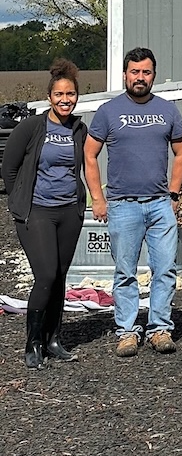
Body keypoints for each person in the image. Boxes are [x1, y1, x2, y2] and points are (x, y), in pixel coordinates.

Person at [84, 47, 182, 358]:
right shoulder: (108, 111)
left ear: (153, 75)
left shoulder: (168, 111)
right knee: (125, 272)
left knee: (165, 270)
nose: (140, 77)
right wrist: (97, 198)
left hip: (159, 204)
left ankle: (159, 329)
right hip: (122, 204)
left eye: (146, 72)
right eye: (134, 72)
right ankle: (127, 332)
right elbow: (90, 154)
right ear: (125, 74)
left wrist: (173, 193)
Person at [2, 59, 87, 368]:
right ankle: (33, 342)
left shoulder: (79, 129)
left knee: (60, 276)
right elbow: (9, 169)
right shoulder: (32, 127)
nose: (65, 100)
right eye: (59, 94)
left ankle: (53, 338)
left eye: (71, 94)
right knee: (46, 274)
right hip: (36, 211)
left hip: (69, 212)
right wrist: (19, 200)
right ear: (50, 96)